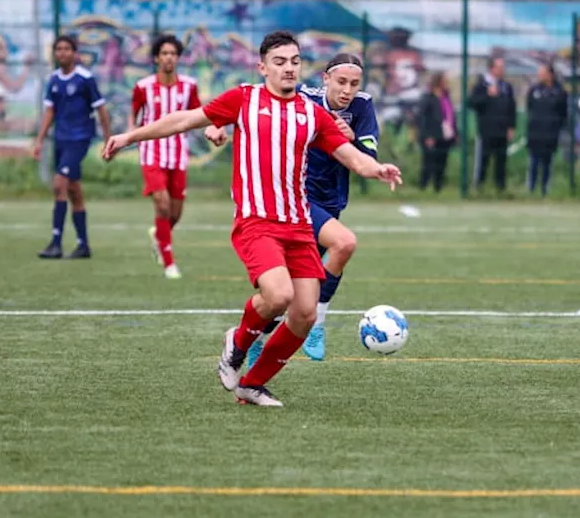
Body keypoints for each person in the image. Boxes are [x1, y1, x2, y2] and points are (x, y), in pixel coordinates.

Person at [100, 31, 402, 408]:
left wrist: (378, 169)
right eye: (279, 62)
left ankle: (252, 385)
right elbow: (185, 119)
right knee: (279, 295)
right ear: (262, 68)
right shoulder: (244, 99)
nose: (288, 68)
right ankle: (237, 343)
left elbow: (352, 156)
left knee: (305, 313)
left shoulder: (312, 114)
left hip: (298, 223)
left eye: (294, 61)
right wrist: (130, 136)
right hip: (257, 221)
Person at [232, 52, 382, 366]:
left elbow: (368, 153)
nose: (347, 90)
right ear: (325, 78)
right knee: (343, 244)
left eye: (354, 83)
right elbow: (258, 106)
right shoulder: (303, 97)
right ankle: (317, 324)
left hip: (331, 201)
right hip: (296, 200)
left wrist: (352, 138)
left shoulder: (362, 105)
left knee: (297, 291)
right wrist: (221, 126)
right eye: (341, 81)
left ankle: (258, 339)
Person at [32, 36, 111, 260]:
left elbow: (101, 109)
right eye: (58, 49)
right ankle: (83, 245)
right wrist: (39, 140)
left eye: (67, 49)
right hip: (61, 140)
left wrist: (109, 139)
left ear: (75, 53)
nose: (62, 53)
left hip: (80, 139)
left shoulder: (85, 79)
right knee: (74, 191)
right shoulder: (54, 80)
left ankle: (56, 243)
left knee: (59, 184)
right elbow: (50, 112)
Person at [130, 34, 201, 280]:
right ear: (156, 58)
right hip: (151, 153)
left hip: (178, 154)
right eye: (164, 53)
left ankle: (158, 236)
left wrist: (213, 129)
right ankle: (169, 262)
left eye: (173, 53)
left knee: (175, 212)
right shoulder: (143, 87)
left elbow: (198, 114)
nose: (169, 57)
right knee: (161, 204)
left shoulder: (189, 86)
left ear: (178, 58)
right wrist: (130, 136)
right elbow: (135, 116)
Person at [467, 56, 516, 193]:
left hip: (502, 130)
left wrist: (511, 126)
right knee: (483, 160)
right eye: (499, 67)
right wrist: (487, 95)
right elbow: (472, 103)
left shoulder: (506, 87)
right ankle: (479, 187)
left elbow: (511, 107)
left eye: (503, 67)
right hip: (486, 130)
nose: (502, 70)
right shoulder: (482, 85)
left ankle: (500, 189)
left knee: (501, 161)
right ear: (492, 68)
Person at [526, 64, 568, 196]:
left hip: (551, 133)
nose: (539, 75)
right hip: (535, 133)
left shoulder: (560, 91)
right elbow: (529, 107)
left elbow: (563, 112)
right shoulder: (534, 90)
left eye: (542, 72)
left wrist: (556, 126)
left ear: (550, 74)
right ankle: (531, 190)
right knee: (533, 162)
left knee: (547, 163)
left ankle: (545, 190)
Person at [416, 71, 456, 192]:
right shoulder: (428, 97)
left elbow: (450, 115)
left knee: (441, 162)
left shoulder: (446, 96)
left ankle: (438, 188)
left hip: (445, 135)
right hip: (431, 135)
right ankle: (423, 187)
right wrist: (428, 135)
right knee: (428, 162)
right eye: (445, 80)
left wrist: (455, 131)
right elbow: (423, 117)